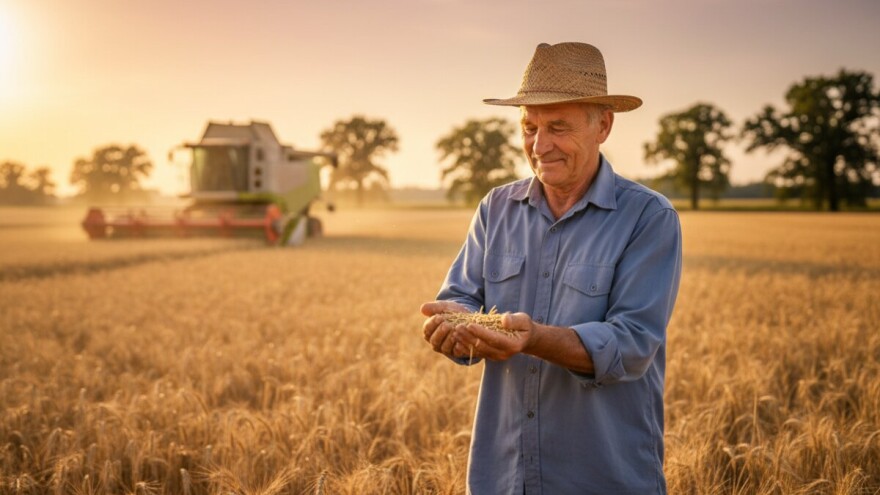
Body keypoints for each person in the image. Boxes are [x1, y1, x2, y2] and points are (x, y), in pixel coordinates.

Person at [420, 42, 682, 494]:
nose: (539, 146)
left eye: (558, 127)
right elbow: (461, 298)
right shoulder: (496, 208)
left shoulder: (648, 217)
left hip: (604, 478)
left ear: (603, 125)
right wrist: (456, 330)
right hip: (503, 477)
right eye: (530, 127)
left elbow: (633, 343)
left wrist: (534, 339)